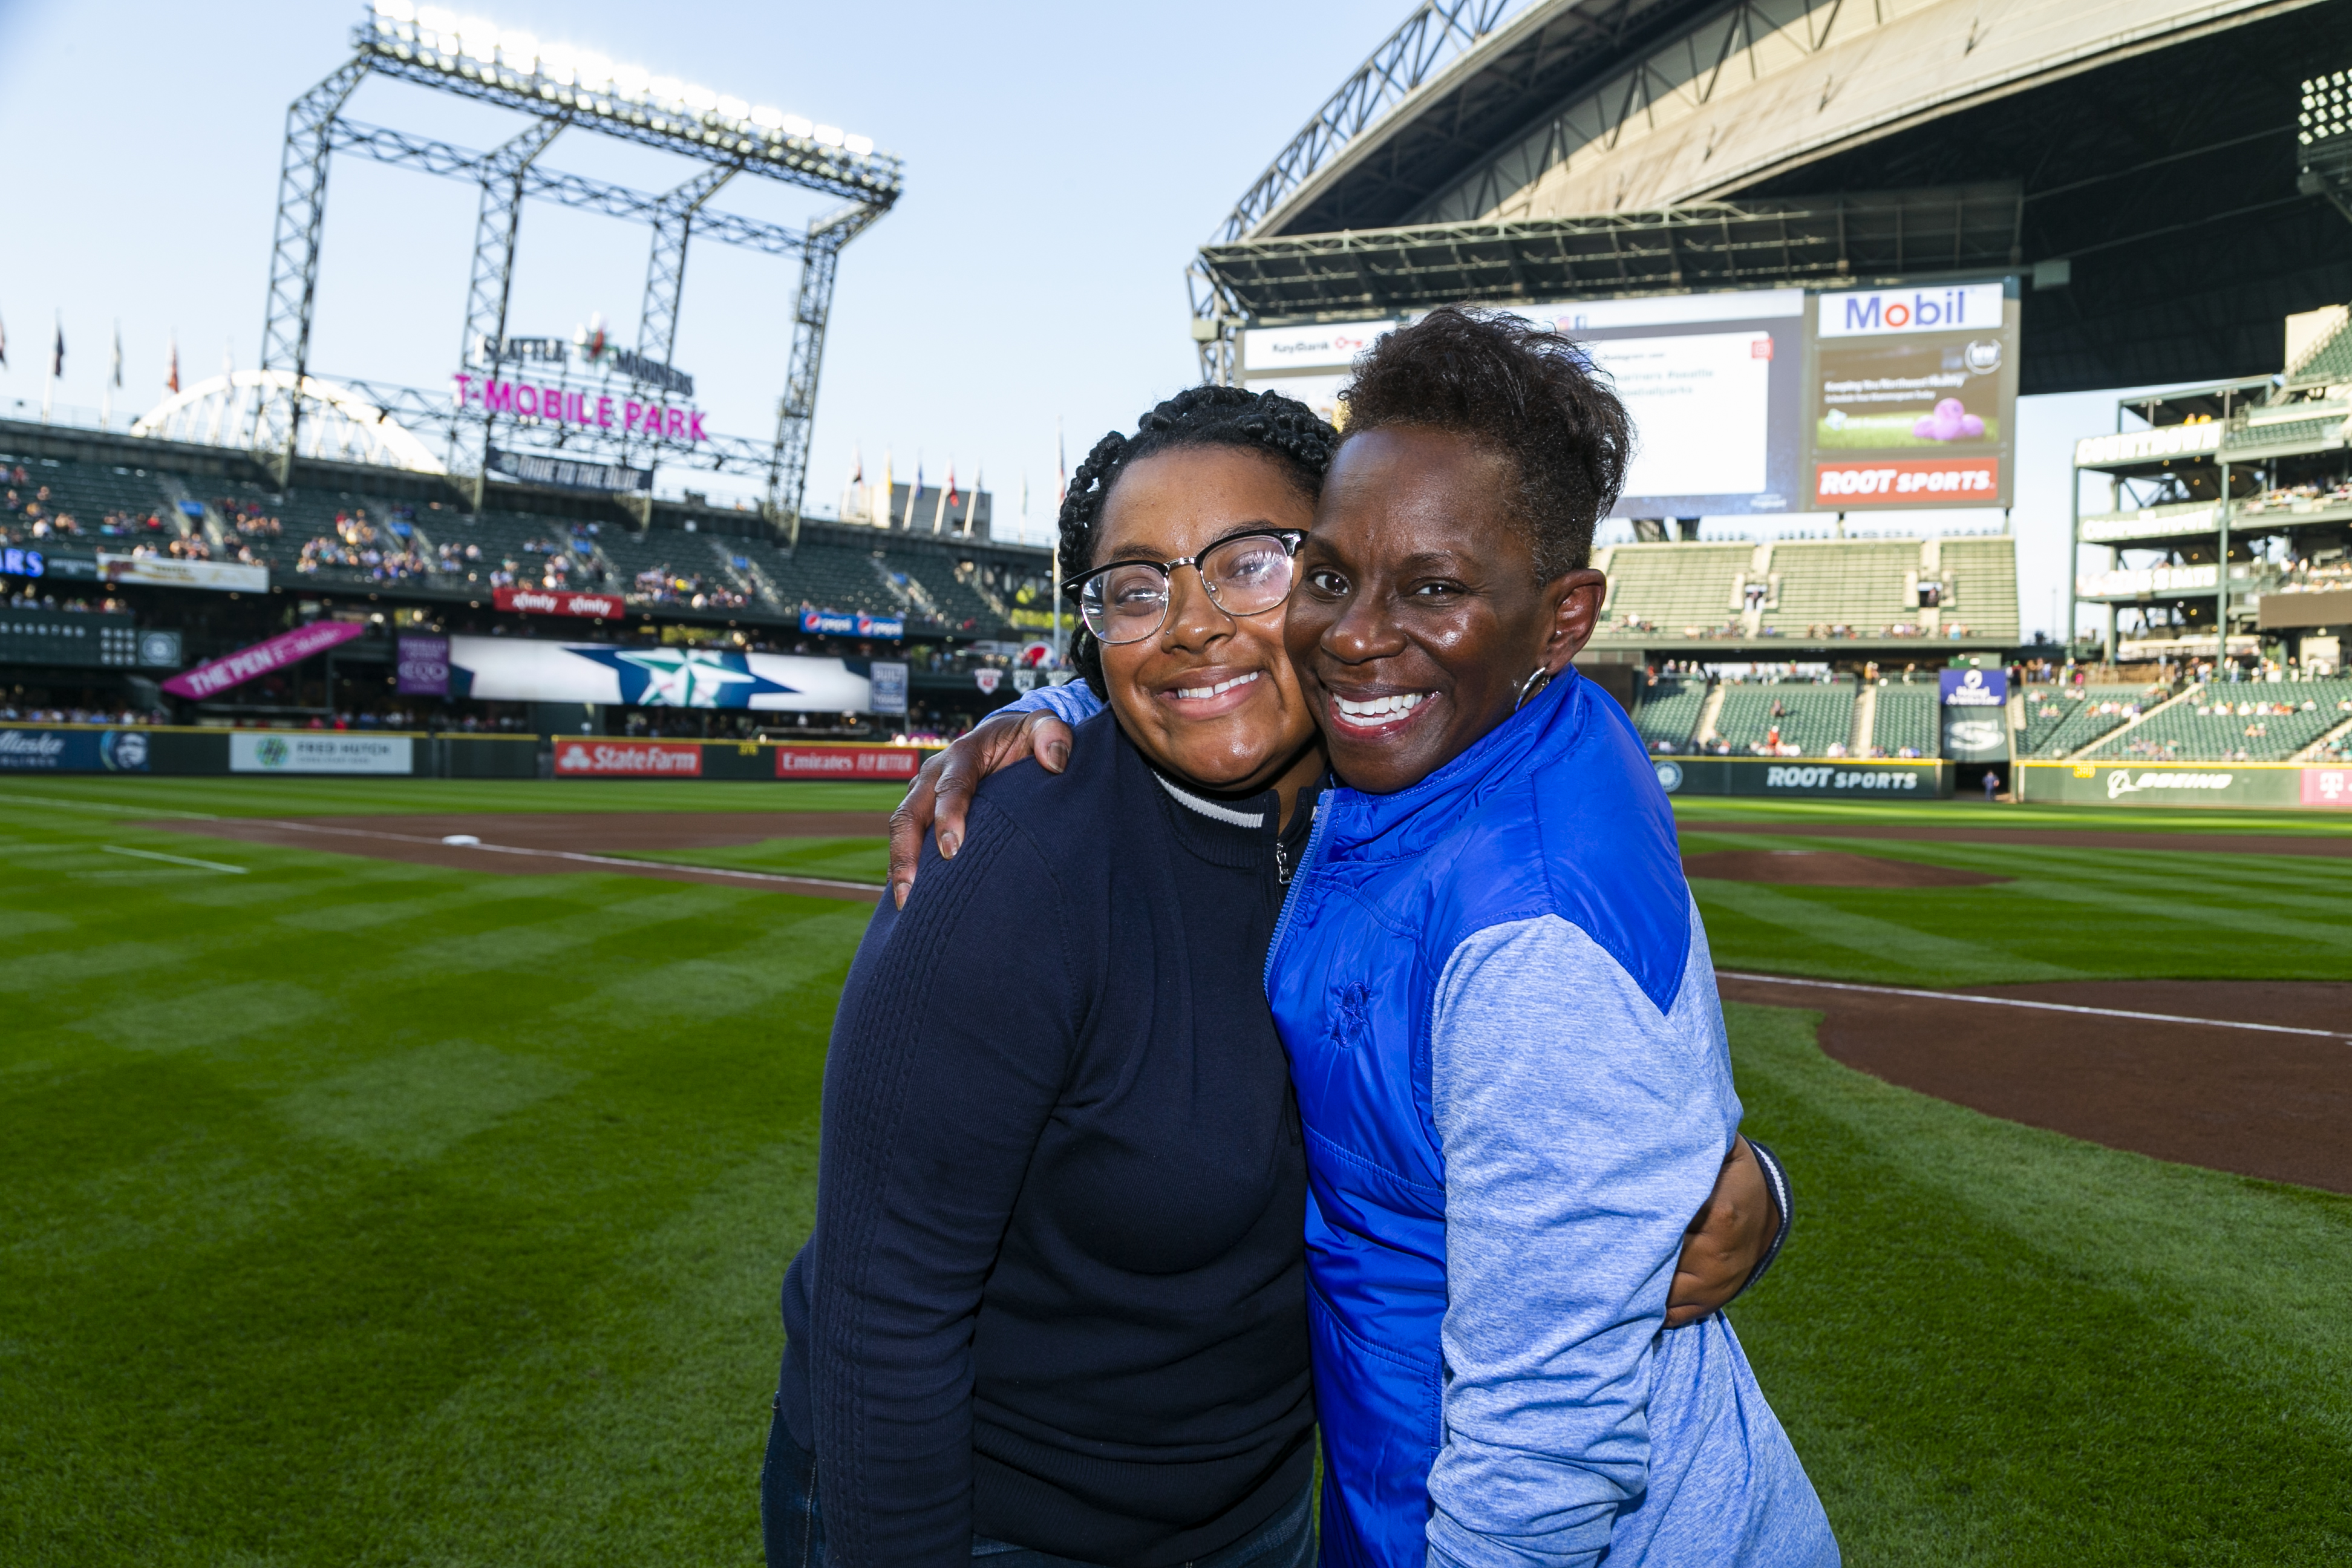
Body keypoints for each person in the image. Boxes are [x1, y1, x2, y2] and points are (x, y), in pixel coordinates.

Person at [778, 386, 1788, 1568]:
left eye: (1253, 564)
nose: (1192, 623)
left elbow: (1561, 1109)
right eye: (1138, 589)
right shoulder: (1009, 861)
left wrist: (1751, 1194)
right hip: (999, 1527)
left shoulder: (1415, 824)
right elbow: (883, 1318)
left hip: (1263, 1519)